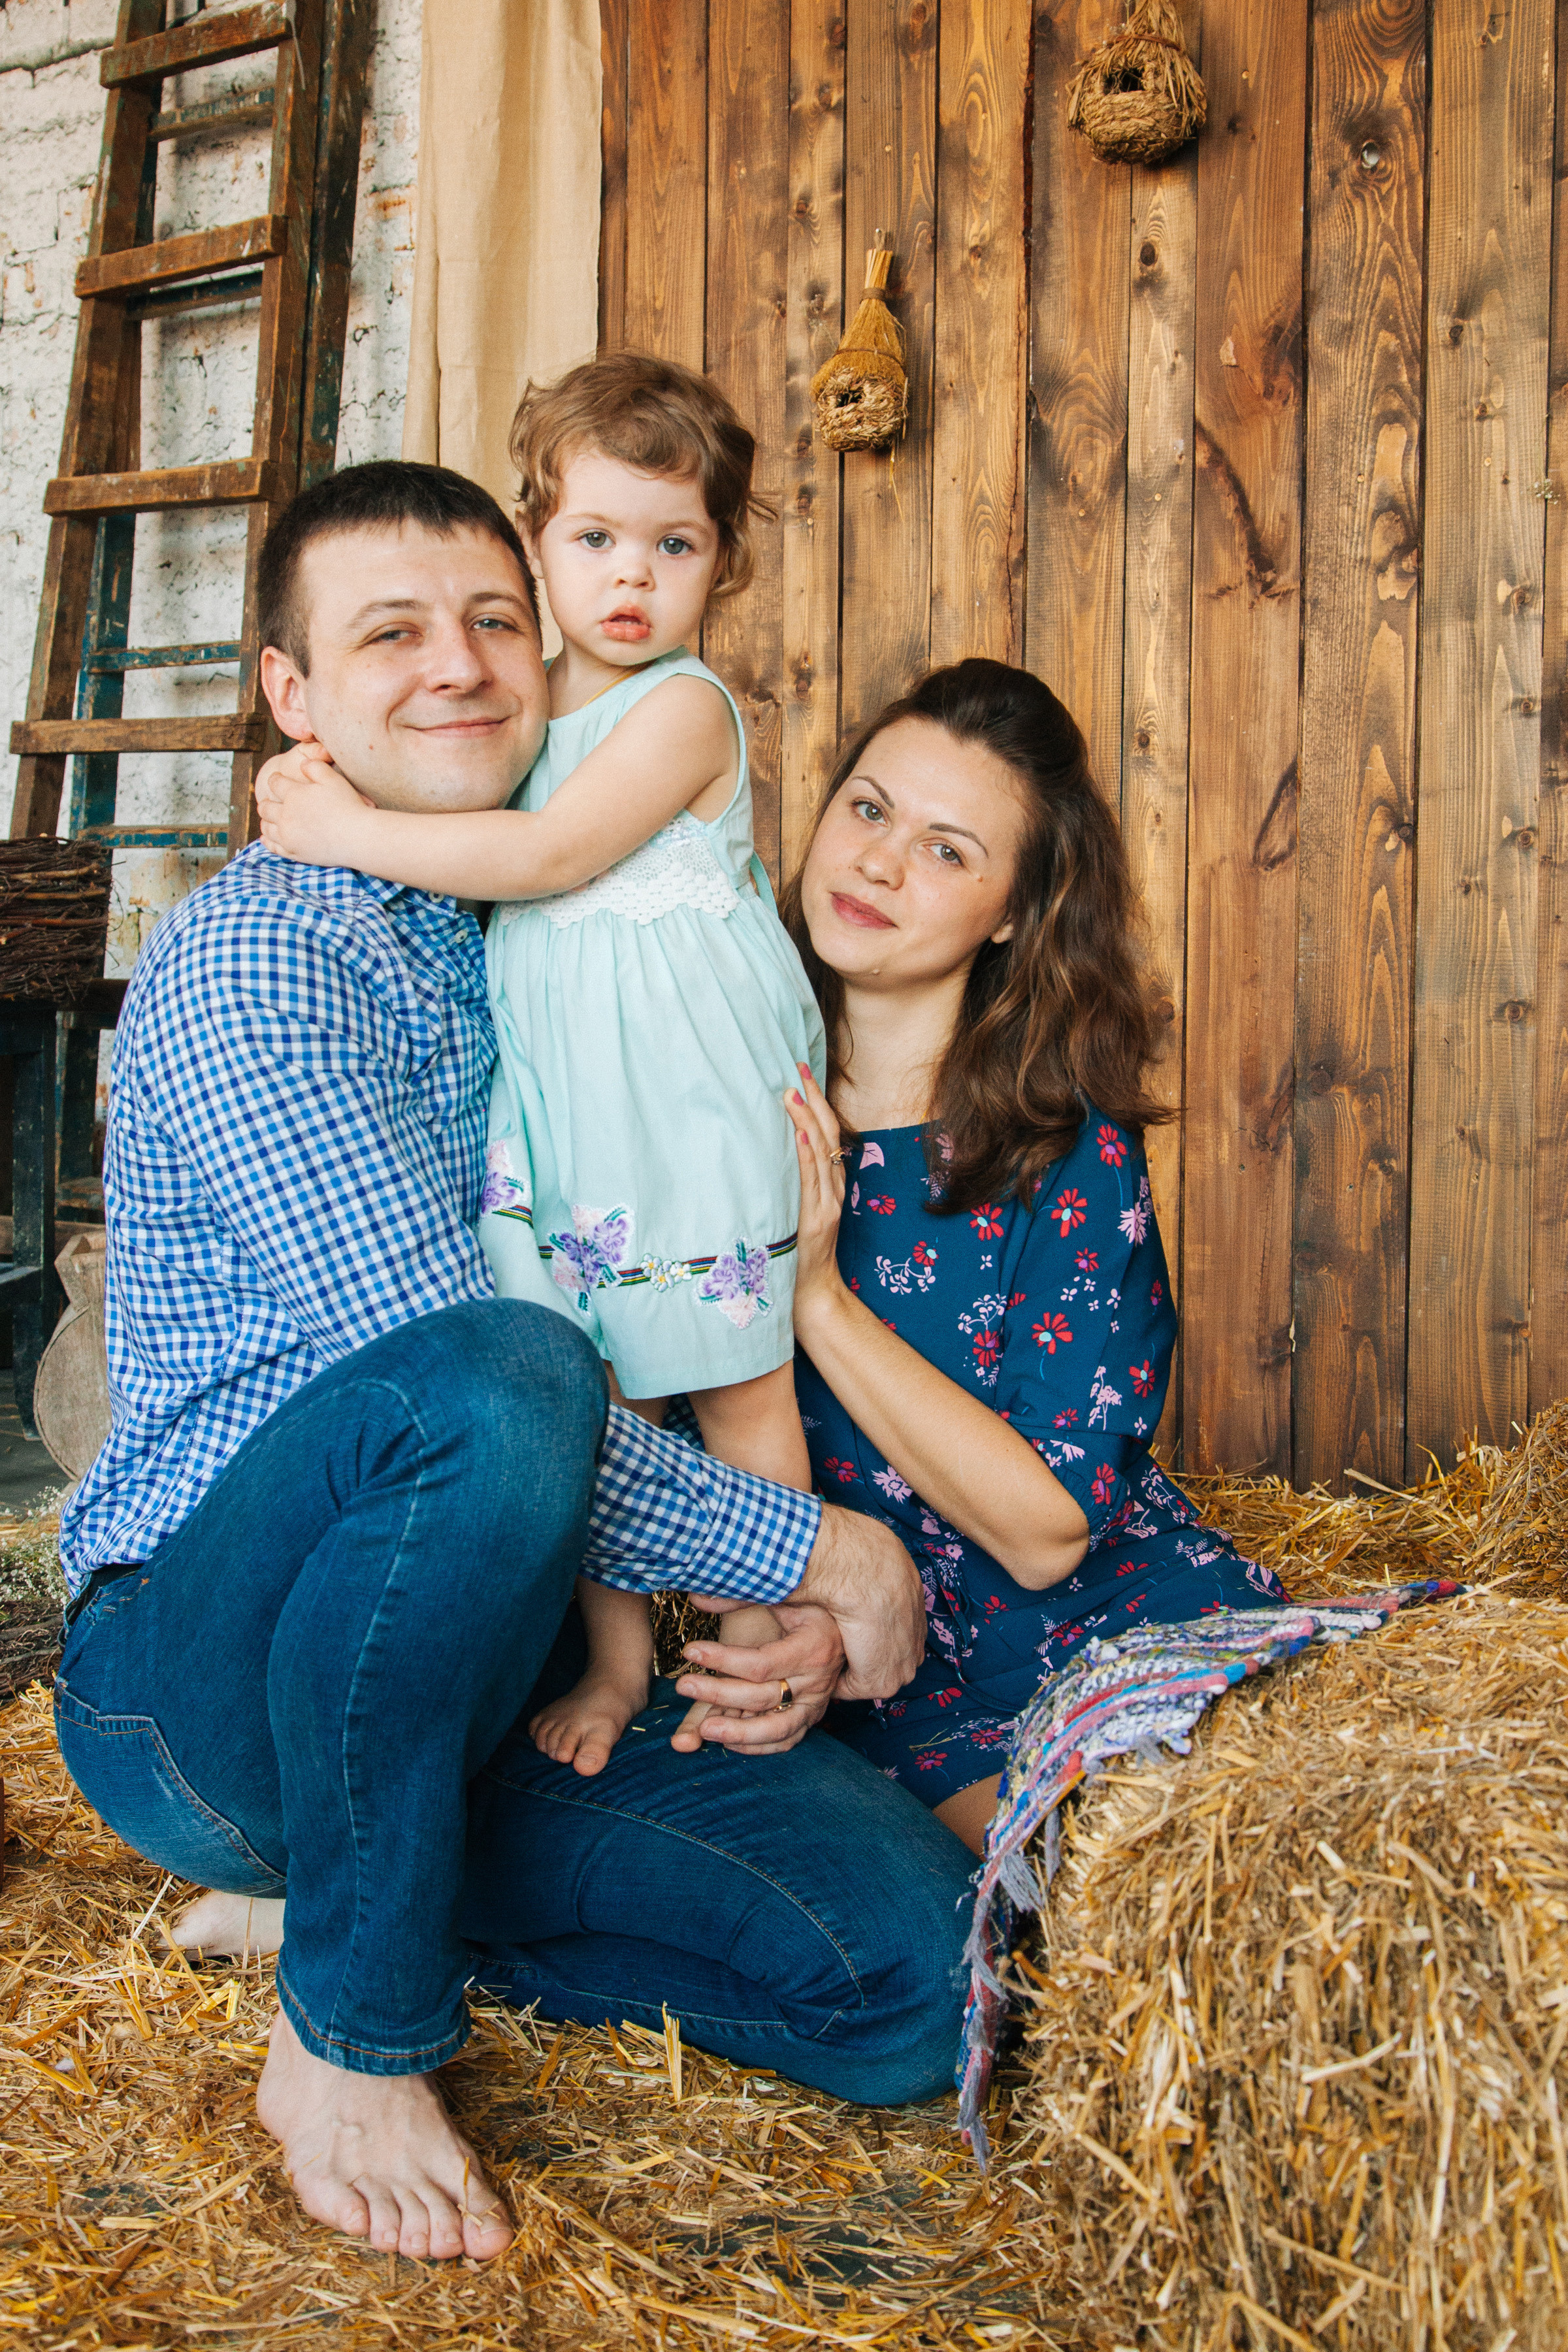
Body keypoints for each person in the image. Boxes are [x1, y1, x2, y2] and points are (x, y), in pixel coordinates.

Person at [50, 461, 976, 2268]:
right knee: (498, 1368)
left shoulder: (533, 932)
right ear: (291, 699)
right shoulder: (258, 964)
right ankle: (355, 2029)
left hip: (492, 1682)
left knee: (911, 1978)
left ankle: (342, 1890)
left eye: (495, 622)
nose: (462, 667)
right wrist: (819, 1555)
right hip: (206, 1679)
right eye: (390, 634)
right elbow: (470, 1384)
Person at [256, 355, 826, 1774]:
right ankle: (623, 1658)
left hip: (688, 1103)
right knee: (600, 1380)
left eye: (675, 545)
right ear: (536, 543)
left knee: (740, 1375)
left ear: (724, 566)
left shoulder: (682, 709)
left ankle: (762, 1651)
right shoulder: (516, 708)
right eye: (595, 540)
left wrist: (336, 828)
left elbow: (548, 856)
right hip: (573, 1113)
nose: (633, 578)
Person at [776, 661, 1289, 1854]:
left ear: (1013, 911)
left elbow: (1052, 1524)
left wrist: (819, 1303)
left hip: (1102, 1632)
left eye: (949, 850)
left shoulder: (1068, 1156)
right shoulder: (731, 1094)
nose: (881, 863)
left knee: (1207, 1906)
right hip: (873, 1681)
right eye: (868, 807)